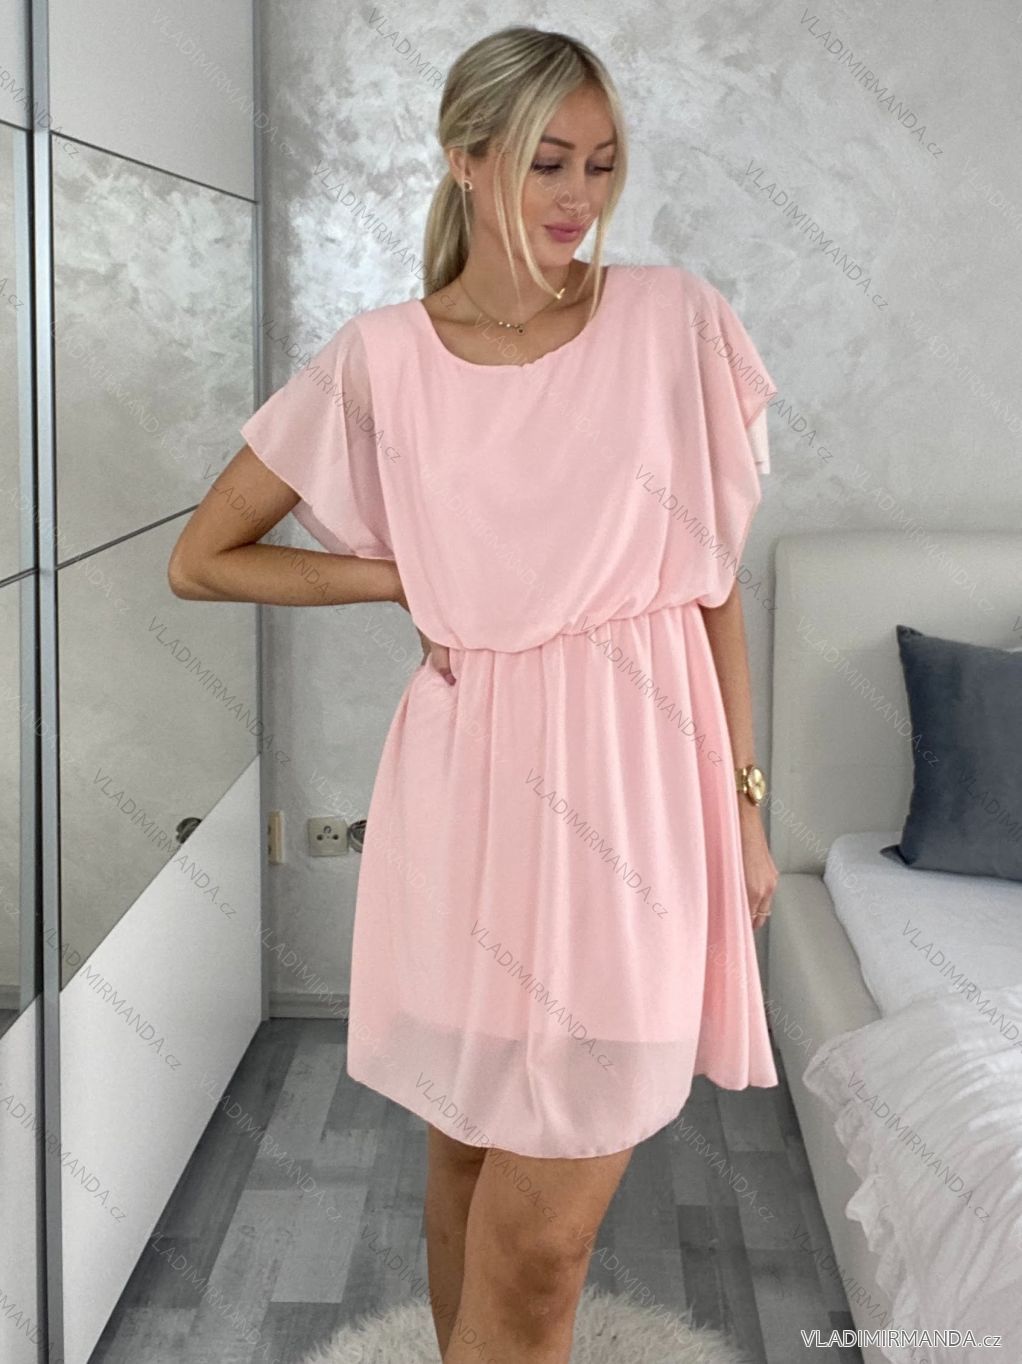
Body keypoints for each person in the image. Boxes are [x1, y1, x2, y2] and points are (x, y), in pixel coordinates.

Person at [168, 23, 780, 1364]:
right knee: (463, 1153)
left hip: (639, 792)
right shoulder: (383, 357)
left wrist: (743, 805)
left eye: (602, 164)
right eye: (548, 163)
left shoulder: (673, 321)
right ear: (464, 159)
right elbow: (203, 558)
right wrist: (409, 576)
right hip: (471, 793)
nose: (580, 198)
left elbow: (714, 584)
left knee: (545, 1245)